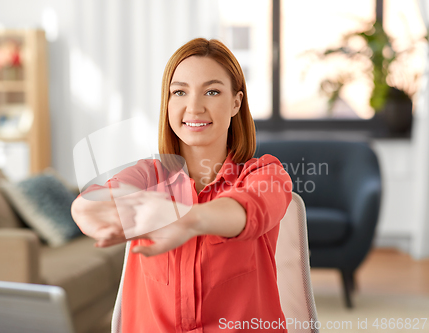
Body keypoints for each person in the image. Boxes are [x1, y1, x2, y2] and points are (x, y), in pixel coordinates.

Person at [71, 38, 292, 332]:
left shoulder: (266, 173)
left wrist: (187, 219)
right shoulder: (147, 176)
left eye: (212, 91)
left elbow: (247, 210)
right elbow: (87, 206)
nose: (194, 107)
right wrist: (101, 211)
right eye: (179, 92)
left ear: (236, 102)